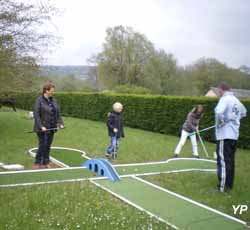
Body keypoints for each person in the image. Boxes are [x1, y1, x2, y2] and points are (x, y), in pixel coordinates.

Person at [215, 82, 247, 192]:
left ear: (221, 89)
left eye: (218, 90)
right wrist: (234, 119)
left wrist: (223, 121)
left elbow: (218, 112)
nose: (218, 92)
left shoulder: (225, 99)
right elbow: (244, 113)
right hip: (234, 135)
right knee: (230, 161)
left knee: (223, 161)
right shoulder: (236, 100)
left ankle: (222, 188)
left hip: (225, 134)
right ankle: (228, 186)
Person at [33, 83, 64, 169]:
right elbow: (36, 114)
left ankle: (46, 162)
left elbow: (58, 113)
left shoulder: (53, 100)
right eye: (51, 91)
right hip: (42, 128)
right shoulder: (39, 100)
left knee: (48, 145)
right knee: (43, 144)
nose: (53, 93)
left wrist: (60, 123)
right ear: (46, 91)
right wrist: (41, 126)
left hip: (51, 127)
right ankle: (37, 162)